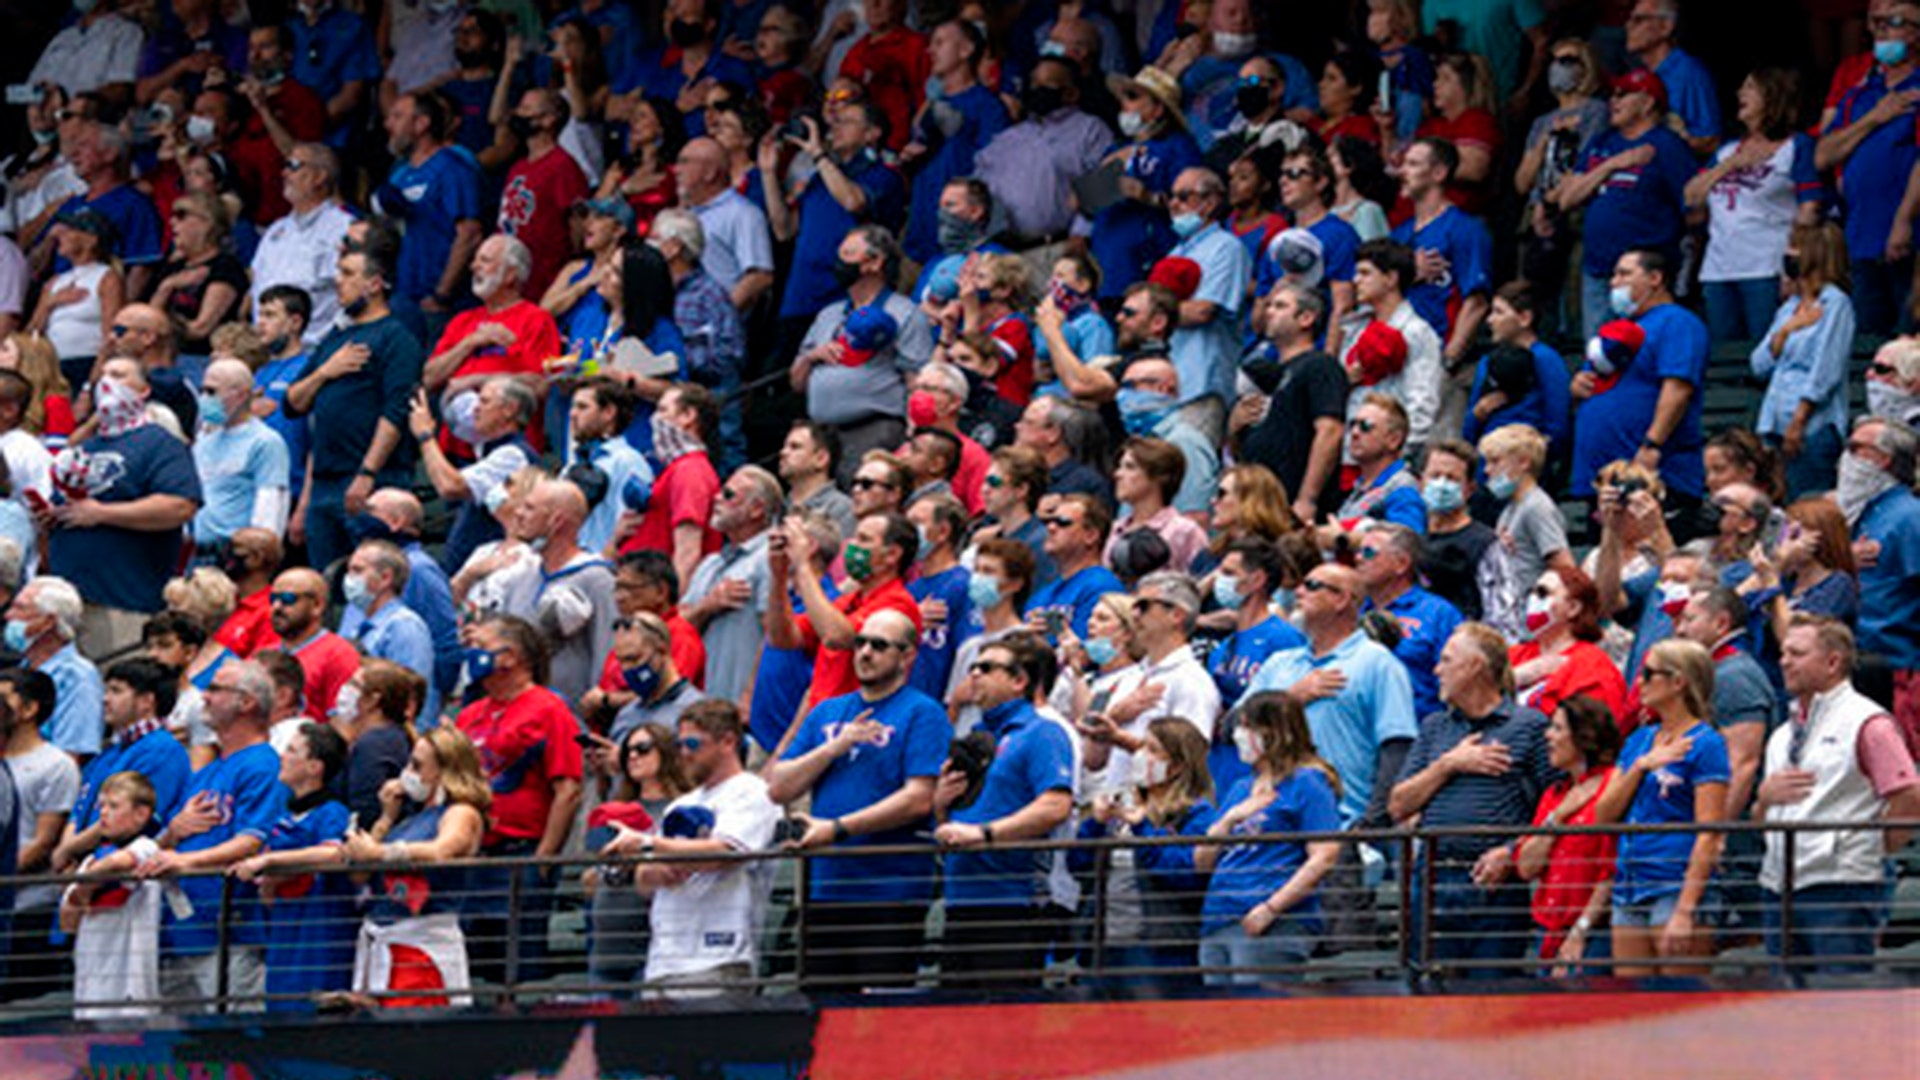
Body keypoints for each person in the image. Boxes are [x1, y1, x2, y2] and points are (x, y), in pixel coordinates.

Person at [767, 608, 949, 985]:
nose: (865, 652)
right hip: (826, 887)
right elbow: (778, 786)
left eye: (879, 645)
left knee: (880, 1015)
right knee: (821, 1009)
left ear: (908, 656)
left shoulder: (923, 712)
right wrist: (832, 749)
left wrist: (837, 829)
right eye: (860, 642)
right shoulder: (828, 711)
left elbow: (918, 798)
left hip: (890, 888)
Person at [1389, 624, 1554, 978]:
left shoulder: (1529, 726)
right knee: (1428, 992)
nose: (1437, 670)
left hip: (1494, 881)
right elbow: (1398, 805)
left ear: (1475, 666)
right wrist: (1449, 764)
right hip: (1432, 875)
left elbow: (1557, 804)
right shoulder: (1435, 726)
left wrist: (1513, 850)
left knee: (1491, 994)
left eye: (1447, 660)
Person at [1759, 616, 1920, 972]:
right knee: (1783, 1005)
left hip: (1840, 884)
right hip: (1778, 884)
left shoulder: (1868, 723)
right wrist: (1765, 797)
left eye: (1797, 653)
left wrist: (1871, 848)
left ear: (1833, 662)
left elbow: (1909, 796)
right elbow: (1760, 816)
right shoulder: (1783, 734)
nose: (1784, 660)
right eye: (1783, 651)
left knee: (1842, 1004)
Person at [933, 632, 1075, 988]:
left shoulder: (1041, 732)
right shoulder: (976, 737)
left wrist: (985, 834)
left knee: (1004, 1023)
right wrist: (939, 808)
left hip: (1013, 900)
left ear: (1018, 681)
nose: (975, 674)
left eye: (987, 667)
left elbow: (1056, 804)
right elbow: (956, 819)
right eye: (973, 667)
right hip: (960, 900)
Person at [147, 659, 285, 1011]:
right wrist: (172, 835)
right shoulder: (208, 771)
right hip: (181, 929)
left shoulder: (263, 763)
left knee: (234, 1045)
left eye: (215, 689)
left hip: (229, 931)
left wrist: (184, 859)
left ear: (247, 702)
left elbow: (252, 841)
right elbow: (169, 837)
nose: (204, 697)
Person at [43, 358, 202, 660]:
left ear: (143, 390)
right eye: (102, 375)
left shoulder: (160, 443)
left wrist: (102, 513)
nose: (106, 382)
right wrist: (54, 515)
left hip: (122, 602)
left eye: (118, 375)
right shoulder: (86, 447)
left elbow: (180, 505)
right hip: (69, 604)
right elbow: (73, 506)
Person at [284, 240, 426, 575]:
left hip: (373, 479)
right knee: (325, 582)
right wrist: (324, 371)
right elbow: (293, 403)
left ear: (374, 284)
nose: (338, 281)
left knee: (373, 579)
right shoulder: (334, 341)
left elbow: (395, 411)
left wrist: (367, 473)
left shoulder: (396, 338)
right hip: (323, 481)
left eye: (348, 273)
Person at [455, 615, 583, 983]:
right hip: (474, 856)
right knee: (474, 966)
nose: (472, 654)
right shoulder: (469, 714)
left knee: (519, 966)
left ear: (510, 656)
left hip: (520, 853)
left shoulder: (549, 708)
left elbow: (568, 789)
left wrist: (544, 858)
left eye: (480, 645)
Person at [1246, 562, 1415, 838]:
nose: (1298, 591)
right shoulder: (1279, 664)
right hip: (1270, 823)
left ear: (1341, 599)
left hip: (1343, 825)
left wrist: (1372, 824)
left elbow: (1396, 748)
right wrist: (1291, 698)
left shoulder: (1377, 663)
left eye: (1312, 586)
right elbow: (1231, 727)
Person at [1590, 639, 1729, 976]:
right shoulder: (1640, 740)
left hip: (1675, 884)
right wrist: (1641, 766)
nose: (1640, 682)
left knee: (1682, 1005)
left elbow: (1709, 832)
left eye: (1649, 674)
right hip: (1630, 884)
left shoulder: (1706, 743)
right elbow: (1604, 814)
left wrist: (1685, 909)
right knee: (1634, 1005)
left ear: (1678, 681)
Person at [626, 699, 778, 996]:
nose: (684, 753)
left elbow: (725, 854)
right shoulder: (680, 805)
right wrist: (656, 868)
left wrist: (649, 844)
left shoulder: (752, 792)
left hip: (718, 957)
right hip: (662, 961)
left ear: (728, 742)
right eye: (680, 745)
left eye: (693, 743)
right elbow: (644, 880)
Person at [1195, 691, 1343, 984]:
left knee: (1258, 1015)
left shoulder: (1307, 782)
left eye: (1248, 726)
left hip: (1270, 921)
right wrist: (1228, 820)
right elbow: (1202, 861)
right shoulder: (1240, 787)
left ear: (1275, 732)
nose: (1239, 735)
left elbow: (1324, 855)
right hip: (1218, 918)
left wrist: (1271, 908)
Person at [343, 725, 488, 1008]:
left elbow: (440, 851)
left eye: (417, 765)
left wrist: (379, 852)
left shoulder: (461, 812)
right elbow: (361, 872)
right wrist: (385, 819)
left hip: (421, 946)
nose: (407, 772)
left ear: (444, 770)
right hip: (382, 935)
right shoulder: (410, 820)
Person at [1555, 73, 1696, 341]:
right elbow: (1567, 198)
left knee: (1644, 349)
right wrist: (1612, 165)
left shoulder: (1666, 145)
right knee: (1599, 355)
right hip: (1599, 267)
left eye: (1624, 94)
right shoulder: (1602, 143)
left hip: (1644, 272)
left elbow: (1692, 207)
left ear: (1647, 103)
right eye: (1613, 94)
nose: (1613, 100)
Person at [1688, 68, 1824, 343]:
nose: (1740, 93)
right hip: (1718, 268)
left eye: (1750, 87)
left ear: (1772, 97)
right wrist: (1731, 164)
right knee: (1724, 355)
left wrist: (1794, 267)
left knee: (1767, 348)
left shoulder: (1796, 146)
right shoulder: (1728, 150)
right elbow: (1691, 196)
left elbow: (1809, 209)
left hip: (1767, 266)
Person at [1569, 250, 1709, 517]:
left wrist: (1651, 444)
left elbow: (1678, 388)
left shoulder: (1676, 322)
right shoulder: (1614, 329)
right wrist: (1577, 387)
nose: (1613, 282)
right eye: (1613, 275)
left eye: (1624, 274)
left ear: (1655, 278)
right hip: (1603, 478)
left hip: (1650, 472)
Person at [228, 720, 354, 1010]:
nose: (282, 756)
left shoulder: (331, 813)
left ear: (314, 767)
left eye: (292, 750)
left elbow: (333, 854)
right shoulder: (285, 817)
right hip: (283, 934)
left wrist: (271, 861)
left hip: (317, 937)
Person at [767, 510, 922, 716]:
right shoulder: (847, 602)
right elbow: (783, 639)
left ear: (892, 555)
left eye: (864, 539)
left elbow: (836, 636)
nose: (851, 545)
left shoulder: (898, 604)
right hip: (821, 722)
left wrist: (803, 564)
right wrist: (779, 575)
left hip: (858, 724)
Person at [580, 720, 692, 992]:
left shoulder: (683, 809)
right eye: (628, 750)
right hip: (606, 945)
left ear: (665, 752)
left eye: (642, 748)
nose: (632, 756)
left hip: (652, 946)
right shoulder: (616, 807)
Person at [53, 659, 190, 877]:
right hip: (85, 867)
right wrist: (68, 851)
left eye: (116, 691)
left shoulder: (162, 751)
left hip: (123, 876)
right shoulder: (108, 753)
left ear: (146, 701)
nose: (105, 700)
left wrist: (68, 849)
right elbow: (79, 810)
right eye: (106, 691)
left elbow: (131, 819)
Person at [1514, 695, 1621, 974]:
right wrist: (1557, 818)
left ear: (1584, 736)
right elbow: (1527, 867)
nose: (1548, 736)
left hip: (1592, 933)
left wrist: (1580, 931)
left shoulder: (1612, 785)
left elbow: (1610, 869)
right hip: (1547, 931)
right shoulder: (1554, 794)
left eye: (1558, 728)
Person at [1831, 0, 1920, 334]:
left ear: (1916, 34)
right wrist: (1874, 118)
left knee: (1908, 346)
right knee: (1868, 348)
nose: (1882, 28)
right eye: (1878, 22)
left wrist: (1903, 220)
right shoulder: (1860, 93)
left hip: (1909, 239)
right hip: (1862, 238)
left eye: (1894, 22)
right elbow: (1823, 154)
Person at [1751, 221, 1855, 498]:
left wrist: (1798, 422)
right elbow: (1759, 365)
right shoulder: (1789, 308)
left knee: (1808, 503)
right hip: (1773, 418)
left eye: (1795, 248)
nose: (1788, 254)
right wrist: (1787, 330)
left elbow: (1826, 370)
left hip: (1813, 427)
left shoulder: (1836, 304)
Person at [647, 209, 749, 472]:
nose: (649, 244)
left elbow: (731, 354)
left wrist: (672, 361)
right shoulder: (657, 292)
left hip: (710, 409)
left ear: (673, 248)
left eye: (654, 237)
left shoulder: (710, 295)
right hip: (669, 411)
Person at [1389, 138, 1492, 391]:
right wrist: (1410, 273)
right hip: (1397, 358)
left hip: (1437, 357)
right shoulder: (1399, 235)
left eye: (1413, 164)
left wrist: (1447, 361)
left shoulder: (1464, 228)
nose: (1402, 171)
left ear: (1439, 173)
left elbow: (1476, 302)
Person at [412, 377, 540, 574]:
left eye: (484, 401)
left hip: (490, 574)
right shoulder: (487, 447)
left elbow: (450, 486)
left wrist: (425, 436)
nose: (475, 409)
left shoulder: (514, 456)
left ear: (510, 409)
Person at [1843, 417, 1920, 742]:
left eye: (1856, 448)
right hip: (1861, 667)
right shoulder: (1865, 514)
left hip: (1900, 672)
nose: (1846, 457)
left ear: (1883, 459)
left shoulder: (1909, 517)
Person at [62, 771, 160, 1021]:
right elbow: (68, 921)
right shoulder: (89, 860)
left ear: (141, 813)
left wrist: (84, 888)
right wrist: (81, 892)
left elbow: (117, 863)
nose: (103, 813)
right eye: (101, 806)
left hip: (130, 983)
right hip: (89, 982)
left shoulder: (148, 847)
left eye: (114, 806)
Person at [377, 91, 484, 320]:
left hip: (442, 302)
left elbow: (470, 234)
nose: (388, 124)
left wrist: (442, 294)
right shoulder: (401, 174)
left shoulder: (452, 169)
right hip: (405, 294)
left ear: (421, 123)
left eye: (397, 117)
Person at [1358, 523, 1464, 725]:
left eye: (1369, 553)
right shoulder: (1353, 613)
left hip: (1417, 733)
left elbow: (1458, 685)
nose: (1358, 559)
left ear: (1401, 563)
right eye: (1359, 551)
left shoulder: (1438, 613)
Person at [622, 383, 723, 590]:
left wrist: (674, 611)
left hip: (659, 600)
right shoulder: (677, 469)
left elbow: (688, 551)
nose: (654, 420)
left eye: (662, 410)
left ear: (688, 416)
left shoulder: (690, 470)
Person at [191, 358, 292, 551]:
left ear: (242, 395)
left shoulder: (265, 442)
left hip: (237, 553)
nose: (204, 398)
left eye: (212, 392)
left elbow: (271, 509)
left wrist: (258, 558)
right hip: (199, 550)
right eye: (203, 390)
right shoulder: (205, 437)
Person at [498, 89, 591, 298]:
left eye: (526, 109)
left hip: (544, 281)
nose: (519, 114)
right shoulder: (518, 166)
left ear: (549, 119)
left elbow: (577, 223)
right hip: (512, 278)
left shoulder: (562, 166)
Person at [1510, 567, 1631, 723]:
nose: (1532, 600)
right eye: (1531, 593)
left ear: (1573, 608)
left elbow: (1592, 735)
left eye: (1542, 593)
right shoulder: (1514, 655)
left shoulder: (1593, 668)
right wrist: (1517, 676)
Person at [1464, 283, 1572, 453]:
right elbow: (1469, 426)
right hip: (1487, 460)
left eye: (1499, 312)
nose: (1490, 320)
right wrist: (1478, 413)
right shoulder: (1487, 361)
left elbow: (1557, 422)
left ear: (1524, 318)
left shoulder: (1545, 359)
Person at [6, 577, 105, 757]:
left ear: (48, 622)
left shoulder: (77, 677)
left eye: (20, 608)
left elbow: (72, 755)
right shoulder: (24, 667)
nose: (8, 615)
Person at [1418, 439, 1502, 622]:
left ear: (1469, 489)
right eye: (1435, 476)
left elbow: (1498, 612)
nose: (1441, 485)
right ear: (1420, 482)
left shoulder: (1485, 543)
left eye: (1452, 478)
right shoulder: (1413, 536)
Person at [331, 659, 418, 829]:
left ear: (373, 701)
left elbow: (365, 811)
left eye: (354, 685)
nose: (345, 690)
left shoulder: (374, 744)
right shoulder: (390, 736)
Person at [1026, 494, 1125, 639]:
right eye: (1049, 521)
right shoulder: (1041, 595)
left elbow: (1087, 653)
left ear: (1090, 536)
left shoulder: (1103, 587)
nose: (1051, 527)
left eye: (1063, 522)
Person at [268, 568, 358, 720]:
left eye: (287, 599)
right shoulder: (266, 653)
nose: (276, 607)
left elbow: (343, 724)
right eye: (273, 599)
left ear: (317, 605)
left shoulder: (338, 655)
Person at [1106, 437, 1208, 572]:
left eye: (1130, 467)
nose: (1117, 474)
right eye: (1120, 466)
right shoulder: (1115, 529)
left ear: (1159, 476)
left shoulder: (1184, 531)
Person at [1336, 393, 1428, 537]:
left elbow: (1406, 544)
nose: (1354, 433)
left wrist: (1344, 539)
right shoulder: (1360, 487)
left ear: (1394, 440)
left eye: (1365, 426)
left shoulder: (1402, 486)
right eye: (1353, 424)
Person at [777, 420, 856, 539]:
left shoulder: (842, 510)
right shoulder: (777, 508)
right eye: (785, 447)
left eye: (795, 447)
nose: (783, 452)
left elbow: (842, 557)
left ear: (821, 459)